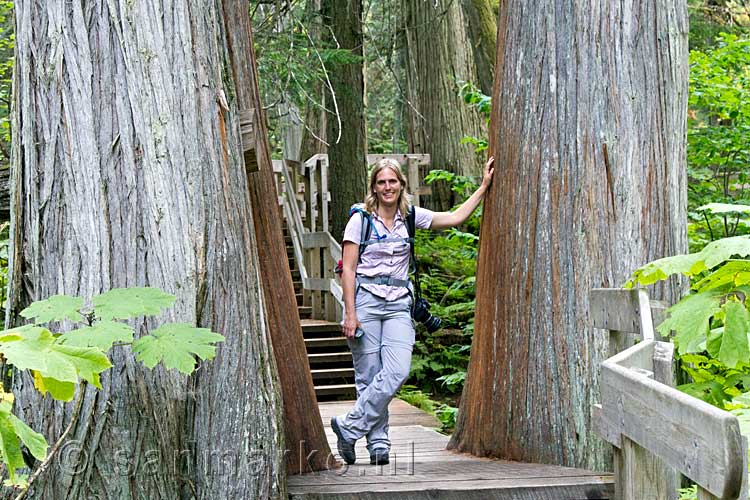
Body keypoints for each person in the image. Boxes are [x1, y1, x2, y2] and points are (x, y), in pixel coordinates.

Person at [331, 156, 495, 466]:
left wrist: (484, 187)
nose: (387, 187)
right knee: (369, 376)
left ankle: (349, 427)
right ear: (374, 187)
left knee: (396, 370)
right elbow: (348, 269)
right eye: (381, 182)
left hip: (397, 305)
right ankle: (378, 443)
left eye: (392, 181)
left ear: (401, 185)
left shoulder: (411, 216)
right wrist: (350, 313)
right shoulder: (360, 219)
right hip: (365, 298)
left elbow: (455, 217)